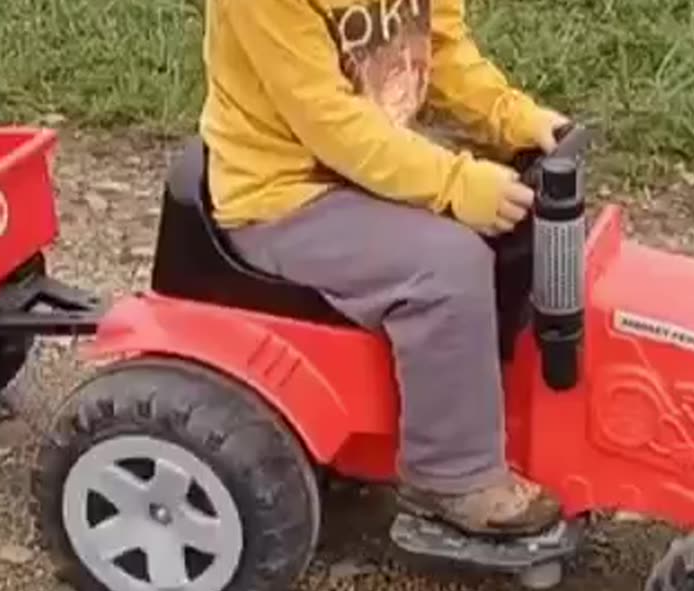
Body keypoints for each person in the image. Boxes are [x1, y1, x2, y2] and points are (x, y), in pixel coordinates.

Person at [199, 0, 568, 536]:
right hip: (285, 195)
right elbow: (330, 122)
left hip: (365, 167)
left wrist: (513, 118)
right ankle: (451, 476)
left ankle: (496, 408)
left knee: (518, 217)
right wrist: (454, 184)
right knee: (447, 267)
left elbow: (437, 48)